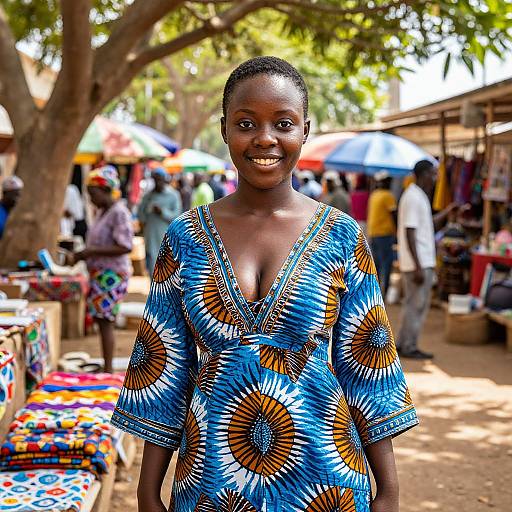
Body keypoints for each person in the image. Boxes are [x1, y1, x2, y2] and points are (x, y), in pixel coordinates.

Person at [112, 56, 417, 512]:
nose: (265, 138)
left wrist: (388, 491)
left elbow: (368, 365)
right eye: (247, 123)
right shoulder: (184, 236)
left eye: (284, 123)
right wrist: (147, 492)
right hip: (211, 482)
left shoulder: (341, 236)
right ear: (224, 130)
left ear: (305, 130)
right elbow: (163, 368)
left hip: (326, 482)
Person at [73, 166, 133, 373]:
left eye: (93, 194)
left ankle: (108, 369)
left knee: (106, 320)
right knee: (101, 319)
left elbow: (125, 245)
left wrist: (91, 252)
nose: (91, 199)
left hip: (112, 274)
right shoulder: (103, 212)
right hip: (101, 273)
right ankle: (106, 366)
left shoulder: (118, 213)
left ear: (105, 190)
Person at [396, 159, 458, 360]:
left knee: (414, 304)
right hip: (418, 262)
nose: (435, 177)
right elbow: (410, 232)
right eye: (433, 173)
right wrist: (417, 266)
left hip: (420, 261)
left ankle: (404, 343)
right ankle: (409, 346)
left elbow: (425, 225)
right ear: (423, 175)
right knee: (417, 305)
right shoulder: (414, 197)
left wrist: (447, 213)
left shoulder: (417, 196)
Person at [138, 168, 182, 274]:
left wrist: (162, 212)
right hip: (150, 235)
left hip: (167, 236)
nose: (158, 183)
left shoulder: (173, 195)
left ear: (164, 180)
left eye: (160, 180)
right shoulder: (148, 196)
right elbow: (141, 214)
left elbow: (177, 216)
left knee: (167, 265)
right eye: (155, 180)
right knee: (152, 263)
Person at [367, 171, 397, 297]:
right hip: (384, 234)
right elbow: (394, 214)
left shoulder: (374, 195)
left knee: (377, 264)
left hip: (373, 233)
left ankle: (375, 293)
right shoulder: (388, 196)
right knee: (386, 264)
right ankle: (384, 292)